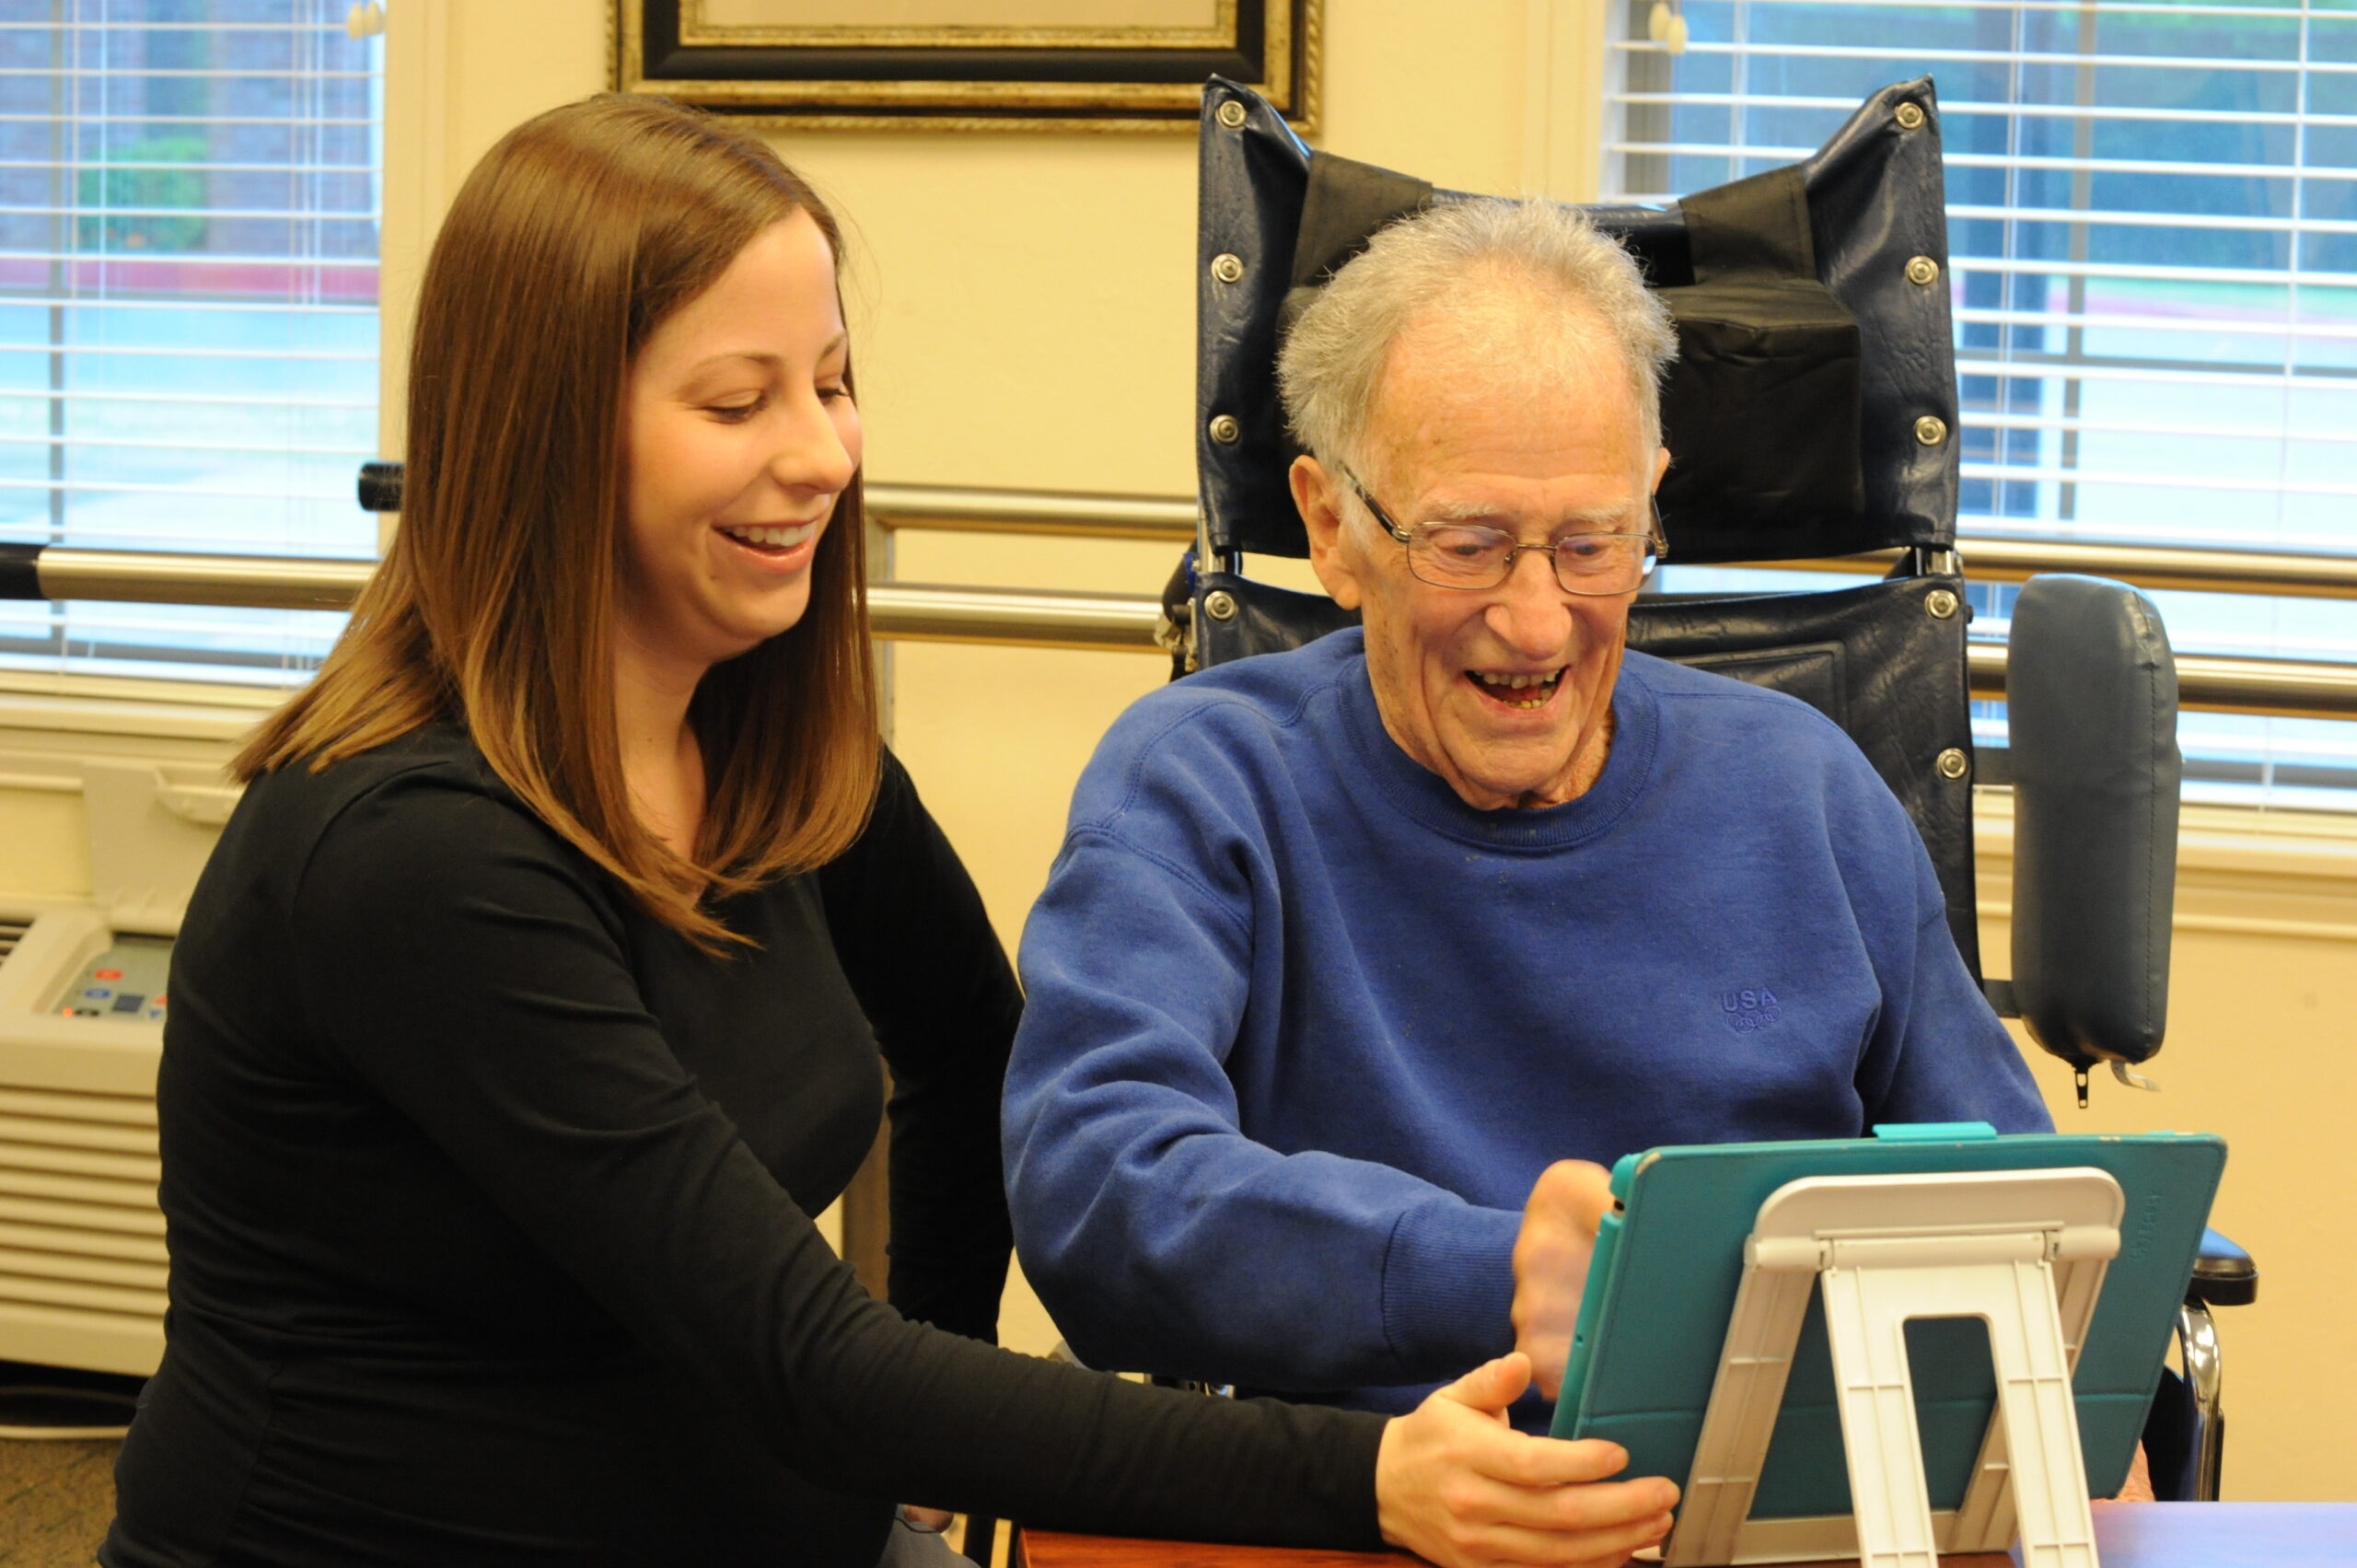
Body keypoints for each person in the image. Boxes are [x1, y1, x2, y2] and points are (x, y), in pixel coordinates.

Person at [99, 99, 1684, 1568]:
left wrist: (923, 1415)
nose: (822, 453)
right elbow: (810, 1363)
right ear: (549, 431)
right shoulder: (410, 855)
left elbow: (975, 1059)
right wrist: (1364, 1477)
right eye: (739, 400)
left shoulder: (772, 744)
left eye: (834, 381)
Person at [1001, 197, 2054, 1432]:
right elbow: (1095, 1195)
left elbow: (2019, 1208)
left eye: (1594, 543)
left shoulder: (1808, 789)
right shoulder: (1206, 783)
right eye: (1471, 543)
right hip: (1377, 1505)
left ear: (1652, 500)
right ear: (1332, 528)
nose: (1540, 619)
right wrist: (1493, 1276)